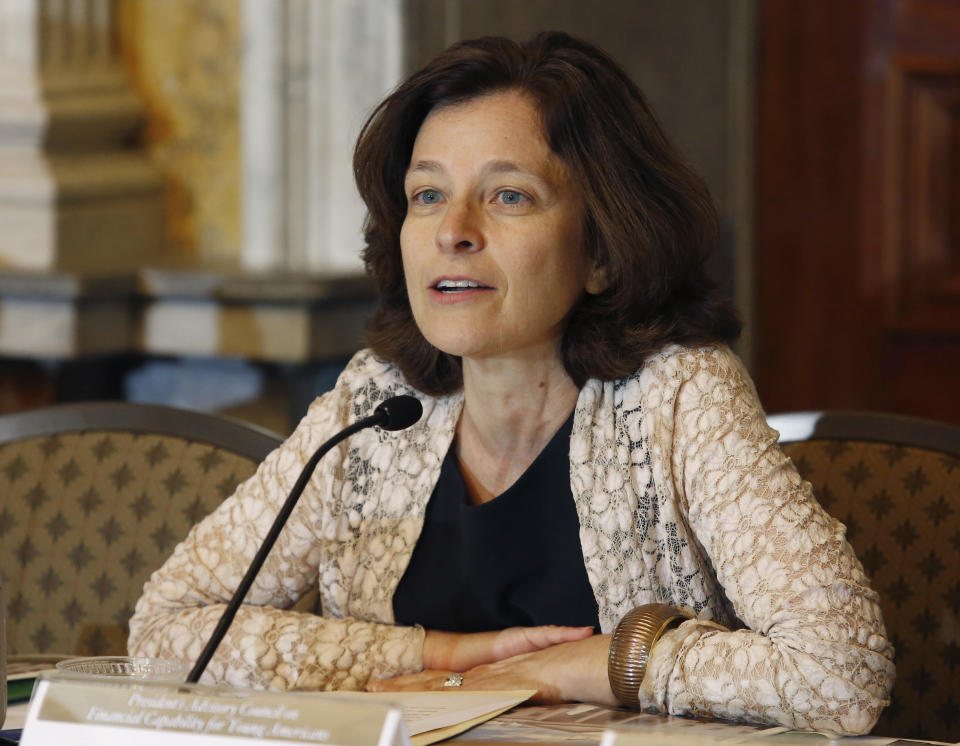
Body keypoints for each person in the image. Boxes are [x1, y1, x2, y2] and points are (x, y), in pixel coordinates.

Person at [129, 31, 894, 735]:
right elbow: (167, 634)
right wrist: (449, 657)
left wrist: (588, 665)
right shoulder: (376, 401)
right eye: (427, 194)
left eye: (508, 196)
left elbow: (841, 675)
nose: (453, 231)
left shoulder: (679, 396)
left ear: (600, 250)